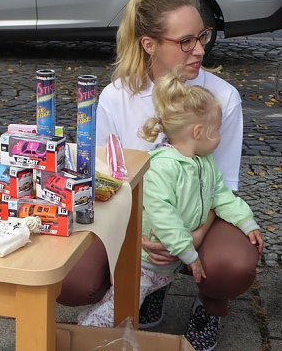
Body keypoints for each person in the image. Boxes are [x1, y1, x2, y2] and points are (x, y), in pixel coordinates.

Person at [61, 0, 258, 349]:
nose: (199, 50)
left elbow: (223, 185)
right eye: (185, 41)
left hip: (200, 213)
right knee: (71, 279)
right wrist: (140, 236)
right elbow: (102, 183)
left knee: (232, 265)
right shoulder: (115, 98)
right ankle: (145, 284)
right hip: (133, 216)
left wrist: (194, 236)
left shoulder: (222, 98)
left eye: (202, 36)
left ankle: (208, 305)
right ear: (149, 44)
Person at [77, 72, 264, 351]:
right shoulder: (163, 167)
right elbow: (164, 217)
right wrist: (188, 253)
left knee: (135, 297)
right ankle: (85, 334)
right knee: (122, 303)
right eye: (216, 131)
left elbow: (220, 195)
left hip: (168, 259)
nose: (220, 138)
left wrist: (247, 222)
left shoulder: (203, 161)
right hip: (145, 260)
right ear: (198, 132)